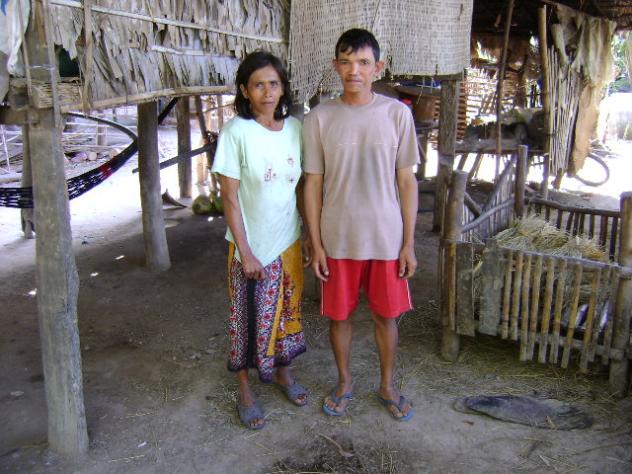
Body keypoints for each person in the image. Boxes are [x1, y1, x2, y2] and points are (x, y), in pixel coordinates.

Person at [303, 29, 419, 421]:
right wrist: (316, 243)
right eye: (347, 62)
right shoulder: (319, 118)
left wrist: (408, 243)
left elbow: (407, 181)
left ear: (378, 67)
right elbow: (312, 183)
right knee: (340, 317)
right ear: (335, 66)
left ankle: (387, 385)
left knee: (386, 316)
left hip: (387, 238)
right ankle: (344, 382)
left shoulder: (397, 114)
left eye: (364, 62)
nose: (355, 70)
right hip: (337, 238)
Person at [212, 51, 309, 430]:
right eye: (258, 85)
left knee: (287, 312)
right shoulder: (236, 132)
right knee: (245, 318)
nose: (267, 92)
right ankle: (245, 391)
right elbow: (229, 198)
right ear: (244, 90)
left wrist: (308, 236)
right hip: (250, 248)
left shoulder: (295, 129)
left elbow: (300, 188)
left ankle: (284, 373)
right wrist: (246, 251)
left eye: (273, 84)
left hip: (288, 240)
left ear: (283, 88)